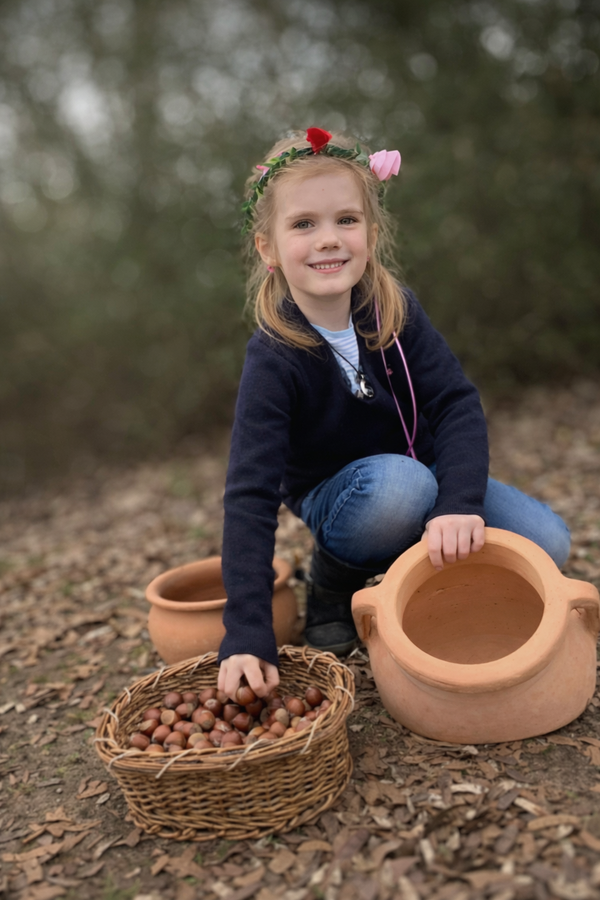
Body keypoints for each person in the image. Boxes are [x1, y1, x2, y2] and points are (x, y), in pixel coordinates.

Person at [216, 127, 570, 701]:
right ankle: (333, 580)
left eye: (346, 220)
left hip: (424, 477)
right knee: (399, 488)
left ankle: (429, 567)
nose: (328, 239)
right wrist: (246, 632)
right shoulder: (274, 354)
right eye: (304, 224)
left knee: (548, 544)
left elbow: (455, 405)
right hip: (347, 497)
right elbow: (249, 493)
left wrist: (459, 505)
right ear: (269, 248)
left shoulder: (394, 311)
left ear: (371, 234)